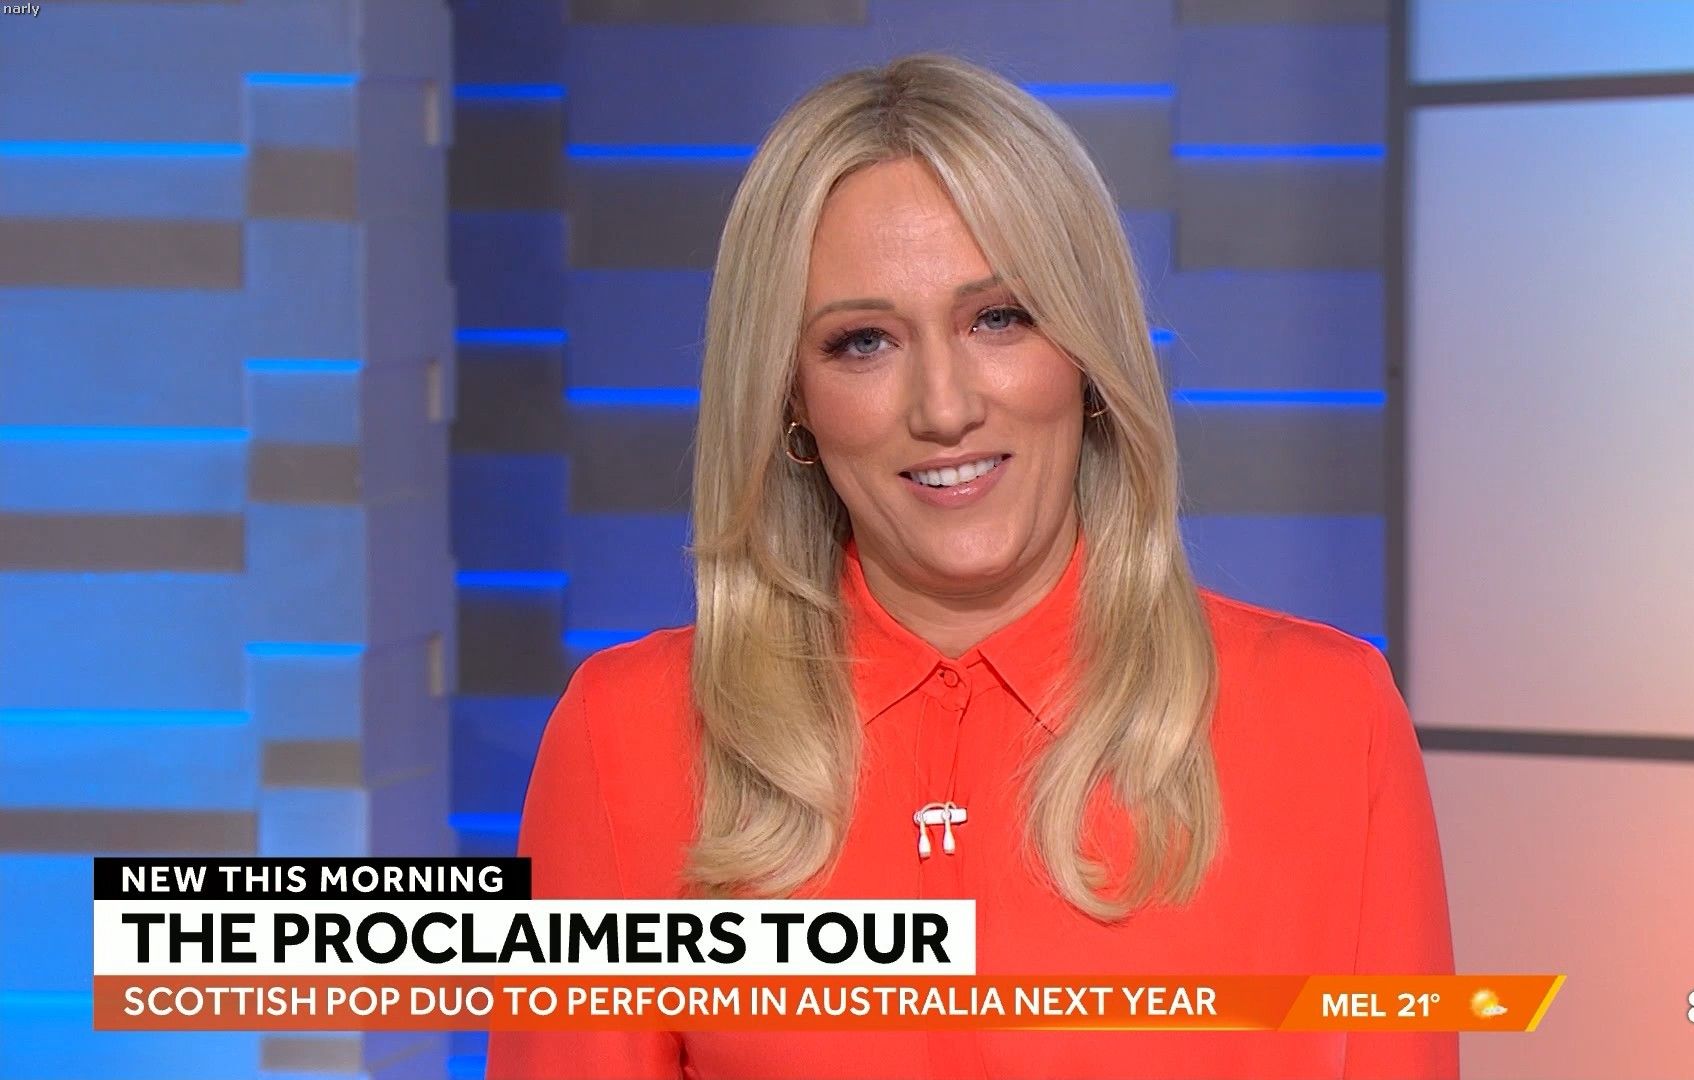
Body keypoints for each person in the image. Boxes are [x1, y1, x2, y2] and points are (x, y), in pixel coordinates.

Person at [487, 51, 1454, 1080]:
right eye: (863, 342)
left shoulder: (1331, 717)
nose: (944, 408)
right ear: (791, 401)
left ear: (1086, 357)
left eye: (999, 318)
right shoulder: (626, 736)